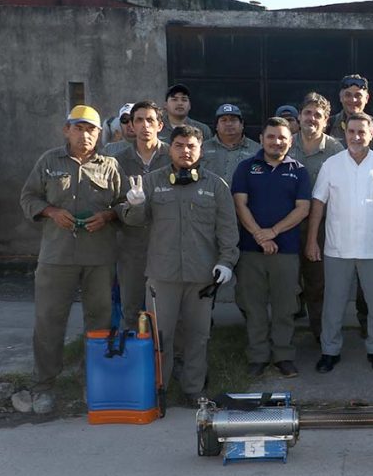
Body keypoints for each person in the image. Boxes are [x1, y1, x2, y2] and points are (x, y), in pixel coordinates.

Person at [13, 105, 124, 414]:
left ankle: (93, 383)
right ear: (67, 130)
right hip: (56, 256)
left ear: (99, 134)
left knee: (99, 322)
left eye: (91, 129)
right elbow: (28, 198)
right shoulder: (49, 161)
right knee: (49, 321)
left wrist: (107, 215)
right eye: (78, 127)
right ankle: (44, 385)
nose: (85, 134)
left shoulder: (110, 165)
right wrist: (51, 211)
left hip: (99, 258)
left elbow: (125, 203)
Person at [119, 125, 239, 406]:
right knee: (160, 337)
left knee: (198, 336)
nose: (185, 151)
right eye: (180, 145)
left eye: (191, 146)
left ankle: (193, 390)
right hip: (163, 276)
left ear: (200, 150)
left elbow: (228, 230)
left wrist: (226, 262)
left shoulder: (215, 185)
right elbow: (133, 222)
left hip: (202, 276)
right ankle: (158, 389)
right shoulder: (150, 182)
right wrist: (134, 204)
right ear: (169, 148)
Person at [306, 113, 373, 374]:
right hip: (338, 247)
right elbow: (318, 204)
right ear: (344, 133)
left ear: (371, 134)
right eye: (351, 132)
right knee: (333, 303)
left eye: (362, 132)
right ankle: (330, 351)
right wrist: (312, 239)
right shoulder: (331, 164)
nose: (356, 137)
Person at [232, 117, 310, 378]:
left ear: (290, 141)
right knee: (253, 307)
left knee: (285, 308)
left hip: (286, 251)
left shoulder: (299, 170)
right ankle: (258, 356)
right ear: (262, 138)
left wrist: (273, 232)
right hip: (250, 250)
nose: (277, 142)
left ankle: (283, 357)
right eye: (271, 137)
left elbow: (303, 209)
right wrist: (259, 236)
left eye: (282, 138)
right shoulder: (245, 168)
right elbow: (240, 204)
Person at [288, 92, 344, 344]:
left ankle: (321, 336)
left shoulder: (335, 149)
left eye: (317, 115)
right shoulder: (284, 143)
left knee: (317, 283)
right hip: (286, 225)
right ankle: (284, 338)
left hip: (322, 227)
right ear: (299, 117)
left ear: (326, 120)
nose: (312, 118)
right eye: (307, 113)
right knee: (286, 283)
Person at [113, 101, 171, 331]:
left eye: (150, 120)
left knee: (167, 308)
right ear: (131, 125)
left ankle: (168, 358)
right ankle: (132, 359)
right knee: (132, 307)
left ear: (160, 125)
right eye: (139, 120)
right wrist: (130, 208)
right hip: (131, 244)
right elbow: (115, 200)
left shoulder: (173, 155)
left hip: (167, 243)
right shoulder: (118, 160)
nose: (145, 125)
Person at [202, 103, 260, 182]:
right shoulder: (203, 148)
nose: (229, 124)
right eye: (224, 120)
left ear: (242, 124)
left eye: (233, 120)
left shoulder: (257, 150)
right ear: (216, 126)